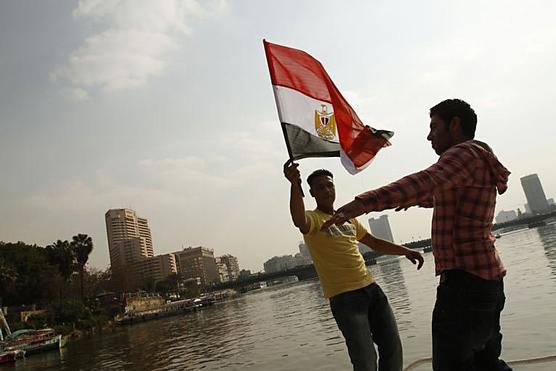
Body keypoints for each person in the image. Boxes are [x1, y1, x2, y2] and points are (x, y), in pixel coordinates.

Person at [322, 99, 512, 371]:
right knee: (485, 363)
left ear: (455, 125)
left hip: (465, 286)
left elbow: (426, 180)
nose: (429, 135)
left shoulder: (463, 154)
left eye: (434, 127)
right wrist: (422, 200)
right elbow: (451, 193)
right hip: (485, 280)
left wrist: (363, 203)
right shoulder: (477, 158)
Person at [284, 160, 424, 371]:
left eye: (330, 185)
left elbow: (375, 243)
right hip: (344, 297)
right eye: (320, 187)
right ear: (311, 193)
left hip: (371, 289)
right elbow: (298, 220)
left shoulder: (347, 218)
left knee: (392, 346)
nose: (326, 190)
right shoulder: (313, 219)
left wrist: (405, 251)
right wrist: (294, 184)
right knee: (365, 359)